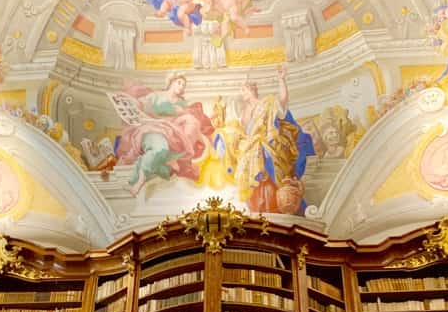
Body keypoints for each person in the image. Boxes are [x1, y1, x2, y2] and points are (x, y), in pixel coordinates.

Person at [114, 74, 214, 196]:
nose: (181, 87)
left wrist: (183, 114)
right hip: (153, 128)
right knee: (159, 148)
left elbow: (189, 122)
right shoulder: (156, 96)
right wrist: (125, 98)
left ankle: (173, 157)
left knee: (191, 121)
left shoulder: (182, 103)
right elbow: (139, 104)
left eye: (183, 85)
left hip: (172, 132)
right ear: (171, 82)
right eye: (179, 82)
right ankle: (138, 182)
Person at [233, 65, 314, 214]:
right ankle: (257, 206)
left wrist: (281, 80)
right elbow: (244, 132)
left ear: (251, 90)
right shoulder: (245, 112)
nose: (242, 94)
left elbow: (282, 102)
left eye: (243, 90)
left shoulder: (267, 102)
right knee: (251, 176)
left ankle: (275, 202)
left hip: (267, 144)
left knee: (269, 163)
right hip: (252, 148)